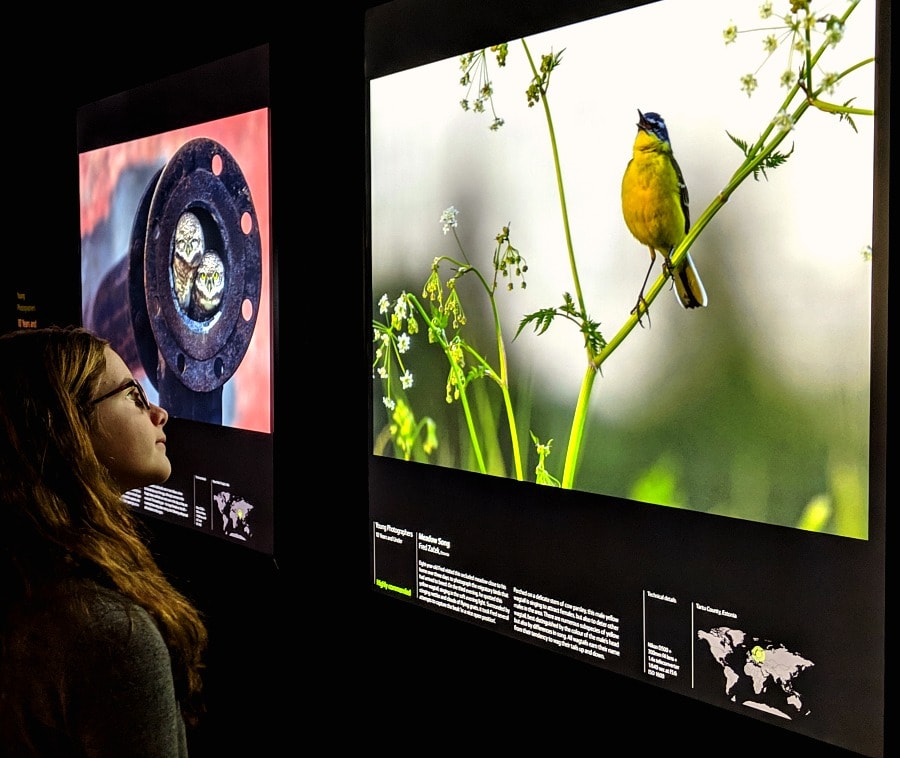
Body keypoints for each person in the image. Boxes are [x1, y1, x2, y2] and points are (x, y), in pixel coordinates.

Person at [0, 326, 208, 757]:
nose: (159, 413)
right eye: (134, 395)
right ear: (68, 427)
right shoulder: (114, 636)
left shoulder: (25, 581)